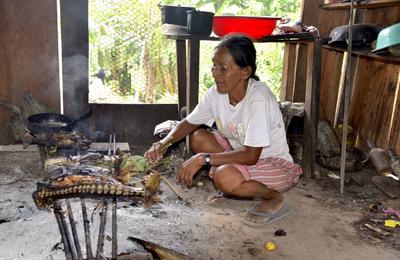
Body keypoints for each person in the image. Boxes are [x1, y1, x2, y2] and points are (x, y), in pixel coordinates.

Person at [144, 33, 302, 226]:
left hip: (272, 163)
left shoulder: (258, 98)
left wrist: (203, 158)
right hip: (241, 154)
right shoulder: (216, 93)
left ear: (245, 72)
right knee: (198, 137)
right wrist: (163, 143)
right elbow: (188, 123)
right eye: (214, 65)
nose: (215, 73)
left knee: (224, 176)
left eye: (223, 68)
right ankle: (234, 186)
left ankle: (272, 197)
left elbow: (252, 156)